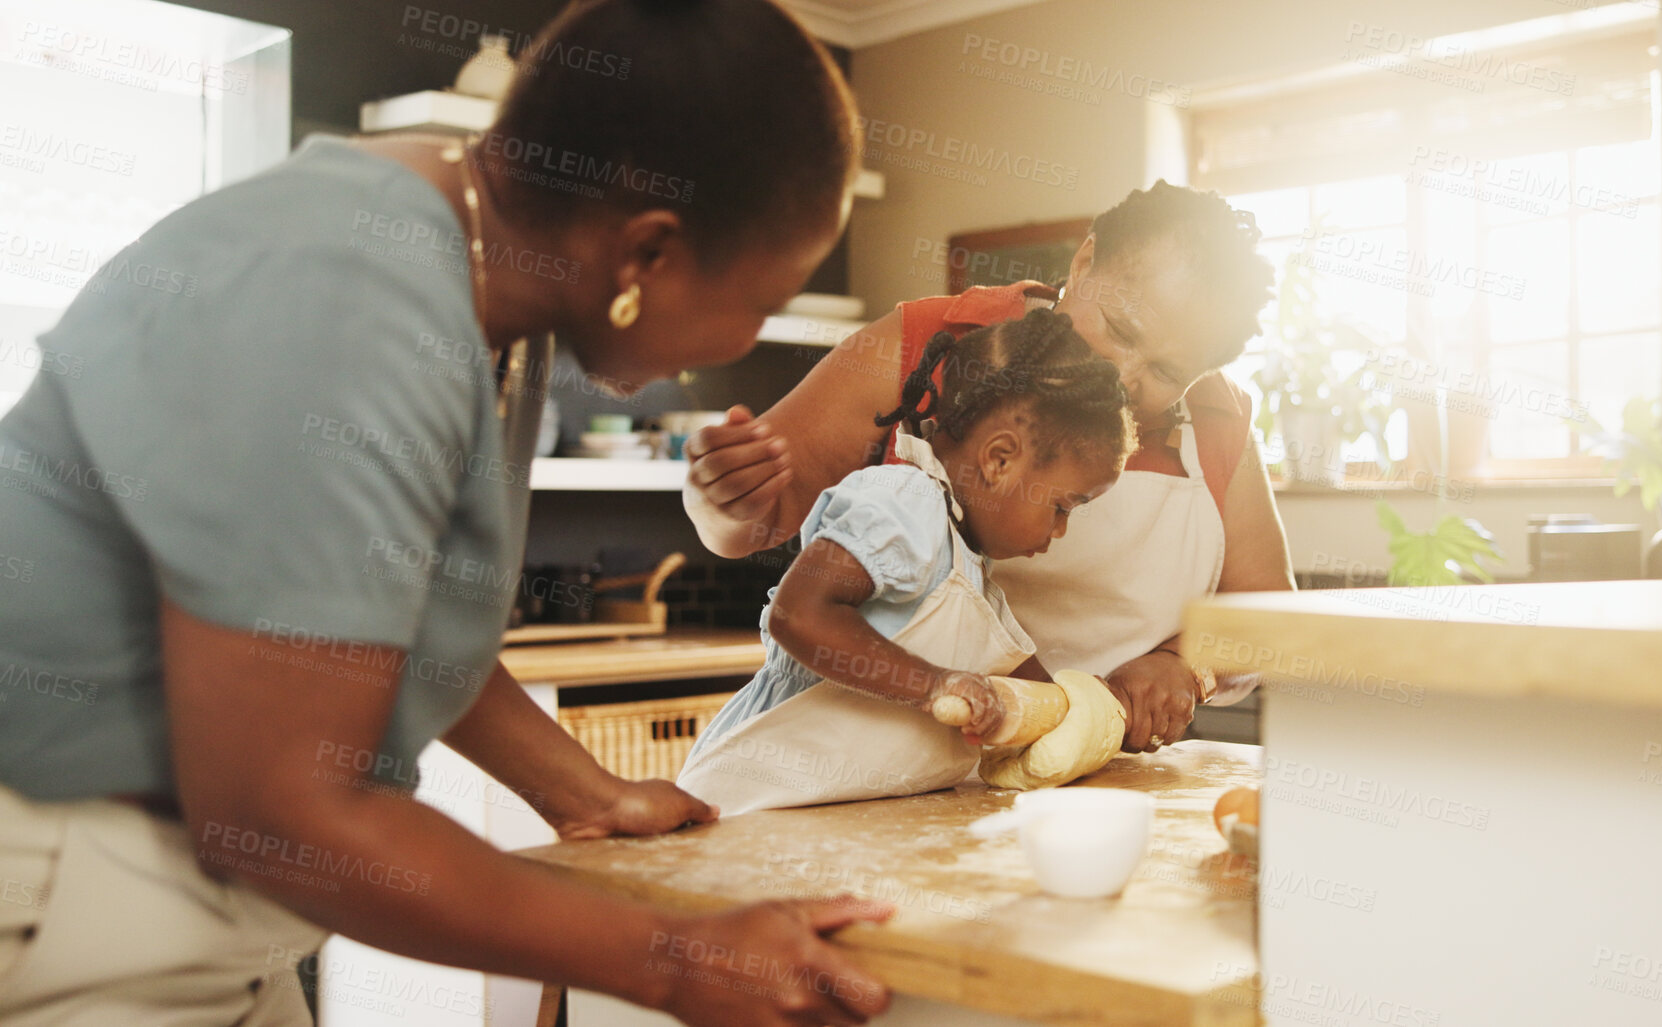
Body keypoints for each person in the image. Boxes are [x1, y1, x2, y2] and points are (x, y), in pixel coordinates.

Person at [0, 2, 894, 1025]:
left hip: (193, 905)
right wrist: (671, 958)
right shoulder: (346, 295)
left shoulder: (476, 265)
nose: (734, 340)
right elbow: (278, 810)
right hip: (54, 891)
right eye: (759, 297)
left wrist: (583, 791)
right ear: (646, 253)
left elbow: (371, 614)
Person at [684, 182, 1295, 753]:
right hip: (854, 763)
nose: (1124, 376)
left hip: (1077, 786)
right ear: (1083, 265)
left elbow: (1272, 620)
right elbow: (752, 533)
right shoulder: (928, 341)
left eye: (1165, 373)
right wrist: (722, 500)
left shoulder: (1219, 417)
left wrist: (1185, 665)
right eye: (1118, 329)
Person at [678, 309, 1135, 814]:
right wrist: (933, 684)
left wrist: (1101, 715)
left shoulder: (971, 574)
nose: (1060, 531)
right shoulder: (904, 500)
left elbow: (1035, 692)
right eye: (1062, 507)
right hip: (752, 799)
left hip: (828, 824)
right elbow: (800, 615)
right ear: (999, 459)